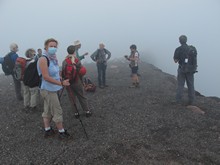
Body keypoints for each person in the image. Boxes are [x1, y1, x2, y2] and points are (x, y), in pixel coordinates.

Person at [37, 38, 70, 139]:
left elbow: (54, 72)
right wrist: (61, 83)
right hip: (47, 89)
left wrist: (59, 77)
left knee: (47, 110)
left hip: (51, 88)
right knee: (57, 110)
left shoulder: (53, 58)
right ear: (46, 47)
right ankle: (62, 132)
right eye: (51, 46)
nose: (53, 48)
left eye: (55, 46)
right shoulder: (43, 59)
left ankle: (48, 130)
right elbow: (46, 77)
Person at [62, 45, 92, 118]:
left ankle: (76, 113)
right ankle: (87, 111)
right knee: (82, 96)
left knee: (72, 98)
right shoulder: (76, 60)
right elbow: (81, 71)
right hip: (77, 81)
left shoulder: (64, 61)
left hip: (68, 82)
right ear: (74, 51)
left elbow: (63, 72)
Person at [173, 35, 197, 105]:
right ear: (186, 40)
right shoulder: (192, 49)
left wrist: (180, 58)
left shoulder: (178, 49)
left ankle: (178, 100)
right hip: (190, 70)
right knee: (191, 85)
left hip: (181, 69)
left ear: (180, 41)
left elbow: (175, 60)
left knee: (180, 85)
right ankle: (191, 100)